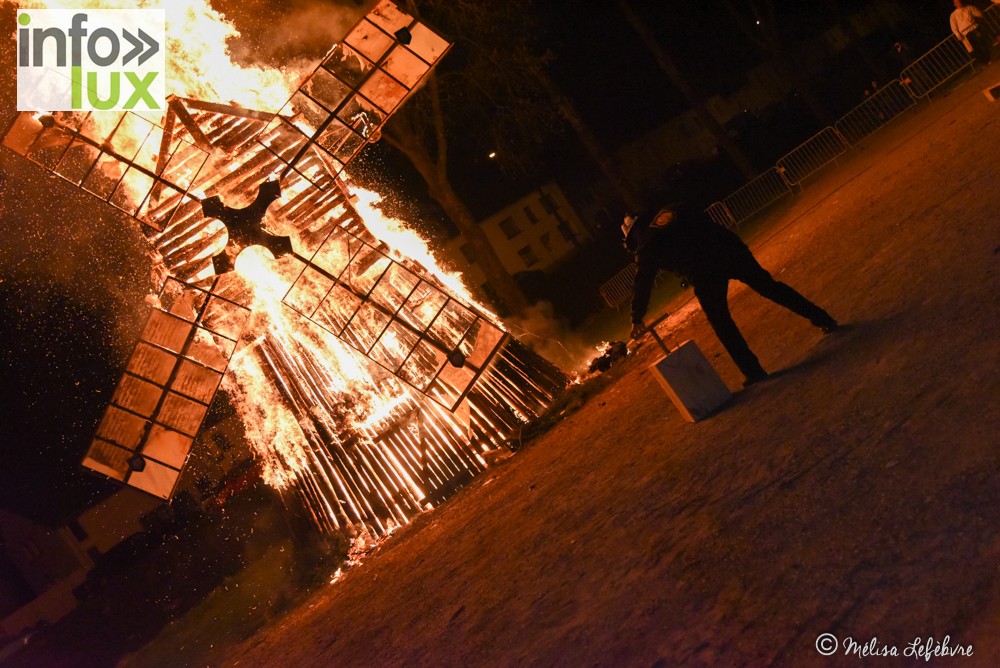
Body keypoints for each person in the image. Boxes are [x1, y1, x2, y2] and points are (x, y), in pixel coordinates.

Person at [624, 203, 838, 388]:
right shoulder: (673, 208)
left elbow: (643, 281)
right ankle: (822, 318)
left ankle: (752, 370)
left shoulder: (646, 246)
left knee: (721, 321)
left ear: (633, 234)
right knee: (771, 288)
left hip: (705, 272)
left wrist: (636, 316)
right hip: (730, 249)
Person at [950, 0, 990, 65]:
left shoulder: (969, 8)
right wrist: (958, 35)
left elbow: (978, 13)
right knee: (974, 48)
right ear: (954, 4)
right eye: (956, 2)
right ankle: (983, 62)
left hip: (974, 28)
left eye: (959, 1)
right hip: (965, 33)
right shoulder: (953, 15)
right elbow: (953, 27)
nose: (959, 2)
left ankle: (988, 59)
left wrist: (980, 16)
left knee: (982, 43)